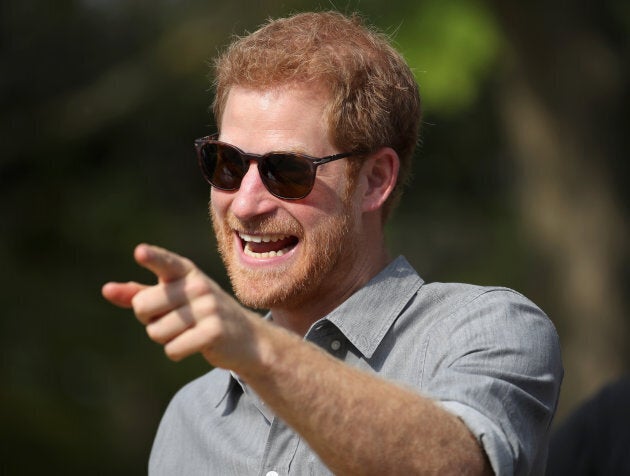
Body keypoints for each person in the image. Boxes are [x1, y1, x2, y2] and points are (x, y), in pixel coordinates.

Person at [102, 11, 563, 475]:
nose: (244, 205)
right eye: (225, 163)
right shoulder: (191, 416)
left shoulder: (485, 330)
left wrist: (259, 350)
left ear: (374, 181)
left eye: (285, 170)